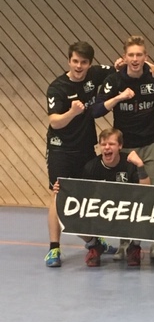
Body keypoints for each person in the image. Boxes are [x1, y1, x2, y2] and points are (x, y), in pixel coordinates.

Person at [93, 35, 154, 261]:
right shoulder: (114, 80)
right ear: (124, 57)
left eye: (139, 55)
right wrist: (119, 97)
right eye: (131, 55)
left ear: (146, 56)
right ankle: (125, 243)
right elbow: (96, 110)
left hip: (152, 144)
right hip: (125, 148)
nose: (135, 59)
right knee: (126, 197)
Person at [45, 41, 116, 267]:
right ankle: (54, 249)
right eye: (75, 61)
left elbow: (120, 66)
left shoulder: (94, 74)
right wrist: (72, 112)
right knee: (58, 195)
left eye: (83, 62)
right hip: (61, 150)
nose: (78, 66)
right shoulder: (57, 88)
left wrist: (144, 64)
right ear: (69, 61)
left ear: (89, 63)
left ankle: (94, 241)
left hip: (85, 148)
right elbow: (54, 122)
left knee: (86, 197)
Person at [57, 128, 151, 267]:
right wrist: (61, 189)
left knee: (147, 206)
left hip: (126, 212)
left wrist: (140, 165)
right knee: (70, 214)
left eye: (111, 144)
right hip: (101, 212)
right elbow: (80, 195)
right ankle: (94, 245)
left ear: (120, 146)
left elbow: (147, 190)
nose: (107, 147)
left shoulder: (130, 163)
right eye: (103, 144)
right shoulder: (91, 167)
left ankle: (134, 247)